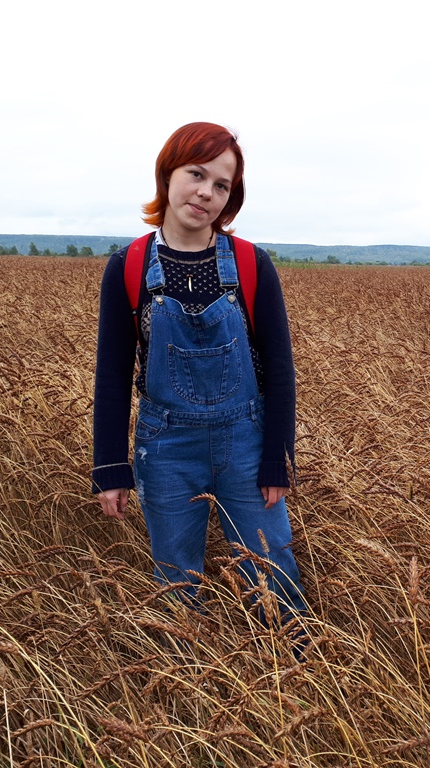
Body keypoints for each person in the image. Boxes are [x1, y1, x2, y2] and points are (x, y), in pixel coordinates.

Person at [91, 122, 307, 628]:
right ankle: (187, 685)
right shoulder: (128, 266)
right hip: (165, 451)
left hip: (247, 447)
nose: (206, 192)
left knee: (274, 574)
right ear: (168, 173)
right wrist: (110, 468)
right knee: (176, 583)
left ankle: (296, 669)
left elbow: (279, 369)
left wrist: (279, 459)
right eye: (197, 174)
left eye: (222, 185)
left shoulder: (252, 264)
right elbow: (112, 374)